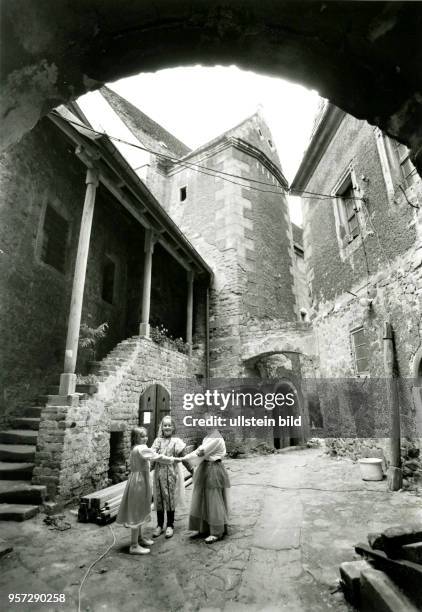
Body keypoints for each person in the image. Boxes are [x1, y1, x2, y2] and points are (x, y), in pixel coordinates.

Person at [116, 426, 174, 555]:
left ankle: (139, 538)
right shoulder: (141, 448)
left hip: (139, 481)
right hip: (139, 483)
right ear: (136, 438)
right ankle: (134, 545)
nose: (145, 438)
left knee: (141, 509)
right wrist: (171, 459)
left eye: (146, 435)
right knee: (137, 511)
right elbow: (156, 457)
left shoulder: (136, 448)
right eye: (142, 436)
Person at [177, 425, 230, 543]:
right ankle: (205, 527)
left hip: (213, 469)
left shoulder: (216, 438)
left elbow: (201, 452)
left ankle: (217, 531)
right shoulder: (208, 437)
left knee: (213, 499)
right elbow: (201, 451)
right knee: (203, 498)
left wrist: (183, 458)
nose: (206, 425)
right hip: (205, 467)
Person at [150, 415, 189, 538]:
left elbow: (184, 458)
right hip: (159, 474)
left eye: (169, 425)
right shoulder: (157, 441)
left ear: (173, 427)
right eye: (165, 425)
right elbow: (152, 458)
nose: (167, 427)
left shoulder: (177, 442)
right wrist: (147, 469)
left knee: (170, 499)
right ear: (162, 427)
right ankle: (159, 525)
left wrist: (192, 469)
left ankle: (170, 525)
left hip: (172, 474)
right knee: (159, 499)